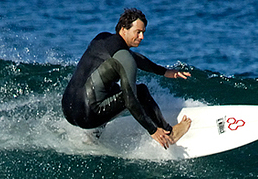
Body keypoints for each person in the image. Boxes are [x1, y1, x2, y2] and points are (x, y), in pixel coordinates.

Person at [62, 8, 191, 149]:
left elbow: (135, 58)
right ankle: (170, 133)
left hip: (68, 109)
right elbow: (131, 100)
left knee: (113, 88)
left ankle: (94, 136)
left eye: (143, 33)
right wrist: (153, 130)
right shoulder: (125, 59)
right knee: (140, 91)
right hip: (88, 116)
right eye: (138, 32)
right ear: (124, 29)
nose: (142, 37)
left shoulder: (102, 38)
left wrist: (164, 71)